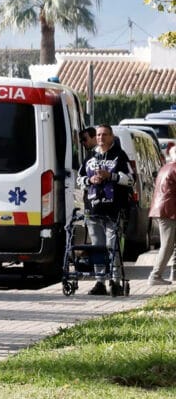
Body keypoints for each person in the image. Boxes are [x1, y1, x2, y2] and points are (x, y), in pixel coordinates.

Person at [78, 124, 134, 295]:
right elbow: (79, 180)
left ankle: (115, 281)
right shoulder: (90, 156)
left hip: (113, 209)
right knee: (97, 247)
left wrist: (111, 176)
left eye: (104, 135)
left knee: (113, 246)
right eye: (99, 135)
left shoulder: (119, 155)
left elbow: (131, 179)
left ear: (111, 137)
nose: (101, 138)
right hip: (93, 209)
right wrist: (90, 180)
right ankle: (100, 282)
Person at [147, 144, 176, 285]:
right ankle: (155, 276)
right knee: (167, 245)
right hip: (169, 211)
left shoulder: (166, 167)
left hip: (163, 209)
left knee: (171, 244)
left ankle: (174, 273)